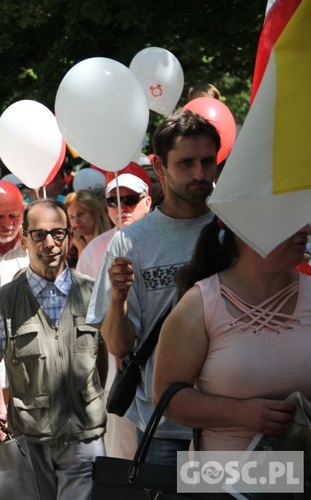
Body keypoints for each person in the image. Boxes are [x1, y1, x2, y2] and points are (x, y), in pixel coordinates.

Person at [86, 109, 221, 467]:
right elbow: (118, 345)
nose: (199, 173)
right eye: (186, 163)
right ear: (159, 167)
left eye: (208, 161)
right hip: (163, 429)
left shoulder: (235, 232)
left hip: (234, 424)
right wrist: (117, 299)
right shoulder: (130, 243)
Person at [0, 199, 107, 499]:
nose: (49, 243)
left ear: (69, 236)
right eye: (39, 234)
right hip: (29, 438)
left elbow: (103, 357)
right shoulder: (5, 300)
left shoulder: (91, 292)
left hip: (84, 435)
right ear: (24, 238)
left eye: (58, 233)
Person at [154, 220, 311, 451]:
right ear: (245, 231)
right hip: (220, 480)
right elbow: (164, 399)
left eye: (304, 220)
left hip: (303, 481)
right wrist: (238, 413)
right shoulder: (199, 303)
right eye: (289, 219)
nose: (305, 230)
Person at [75, 173, 151, 461]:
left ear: (148, 201)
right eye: (114, 201)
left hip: (162, 367)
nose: (123, 207)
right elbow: (83, 316)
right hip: (114, 369)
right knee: (122, 454)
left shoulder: (162, 239)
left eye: (131, 200)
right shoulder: (96, 249)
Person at [76, 172, 152, 280]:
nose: (121, 208)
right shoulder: (93, 250)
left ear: (147, 203)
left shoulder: (165, 241)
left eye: (130, 200)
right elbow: (84, 294)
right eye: (113, 201)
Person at [64, 189, 112, 267]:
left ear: (97, 211)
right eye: (71, 217)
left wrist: (82, 249)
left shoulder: (111, 242)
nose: (76, 221)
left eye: (81, 214)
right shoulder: (70, 252)